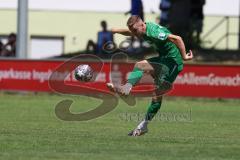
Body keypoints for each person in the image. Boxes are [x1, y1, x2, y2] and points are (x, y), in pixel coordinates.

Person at [106, 15, 193, 136]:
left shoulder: (154, 32)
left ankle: (143, 125)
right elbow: (129, 32)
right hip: (163, 59)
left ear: (142, 25)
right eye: (133, 31)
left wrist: (184, 56)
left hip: (173, 62)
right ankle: (127, 88)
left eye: (135, 30)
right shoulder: (141, 30)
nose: (134, 34)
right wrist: (114, 30)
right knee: (140, 65)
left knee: (156, 96)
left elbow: (177, 38)